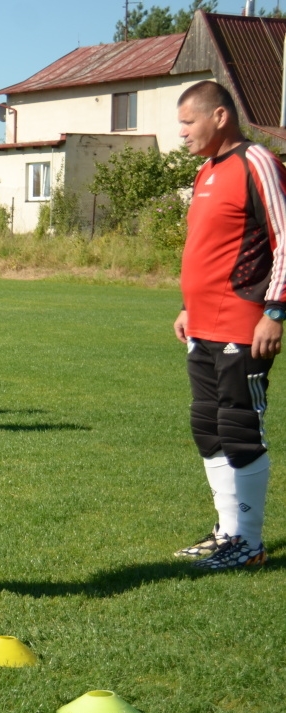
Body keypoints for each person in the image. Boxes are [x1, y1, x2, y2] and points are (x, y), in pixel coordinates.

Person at [172, 80, 286, 571]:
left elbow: (285, 238)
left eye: (188, 122)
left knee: (240, 427)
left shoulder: (256, 162)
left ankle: (250, 542)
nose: (182, 134)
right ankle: (226, 533)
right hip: (201, 325)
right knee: (208, 427)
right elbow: (209, 247)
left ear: (220, 117)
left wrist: (275, 311)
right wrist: (186, 307)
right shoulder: (206, 171)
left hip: (245, 324)